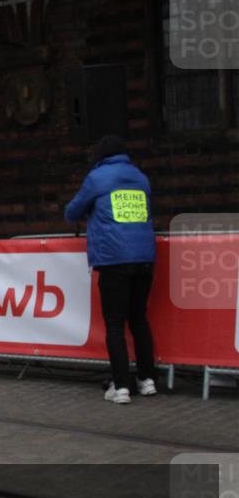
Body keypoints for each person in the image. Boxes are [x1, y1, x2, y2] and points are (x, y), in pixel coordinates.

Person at [65, 134, 157, 405]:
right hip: (145, 259)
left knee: (114, 325)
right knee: (139, 319)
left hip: (114, 259)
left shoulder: (98, 178)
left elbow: (72, 211)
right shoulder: (141, 178)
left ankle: (121, 386)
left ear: (100, 156)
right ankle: (147, 379)